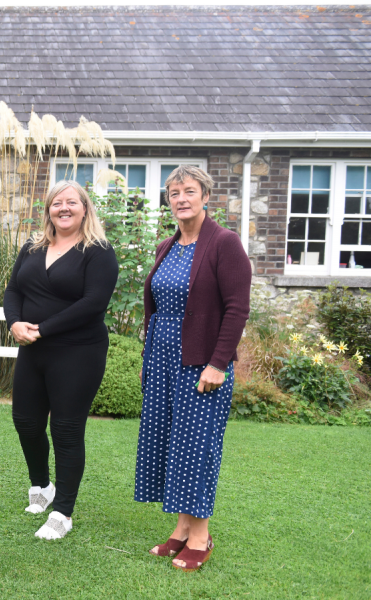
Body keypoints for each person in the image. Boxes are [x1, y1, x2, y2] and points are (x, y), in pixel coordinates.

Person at [135, 165, 250, 571]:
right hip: (164, 360)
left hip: (202, 363)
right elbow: (157, 307)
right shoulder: (166, 246)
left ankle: (201, 535)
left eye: (189, 191)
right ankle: (182, 530)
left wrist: (219, 363)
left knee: (195, 446)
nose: (181, 199)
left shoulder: (224, 243)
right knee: (171, 443)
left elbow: (237, 308)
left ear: (205, 196)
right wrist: (149, 361)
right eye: (173, 193)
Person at [3, 180, 119, 540]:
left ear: (85, 208)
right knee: (26, 421)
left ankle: (63, 512)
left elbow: (93, 303)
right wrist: (15, 323)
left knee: (66, 429)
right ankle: (41, 485)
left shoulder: (98, 251)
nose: (64, 208)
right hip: (33, 349)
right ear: (48, 210)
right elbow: (14, 290)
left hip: (78, 351)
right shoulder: (32, 247)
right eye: (57, 203)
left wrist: (43, 328)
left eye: (72, 202)